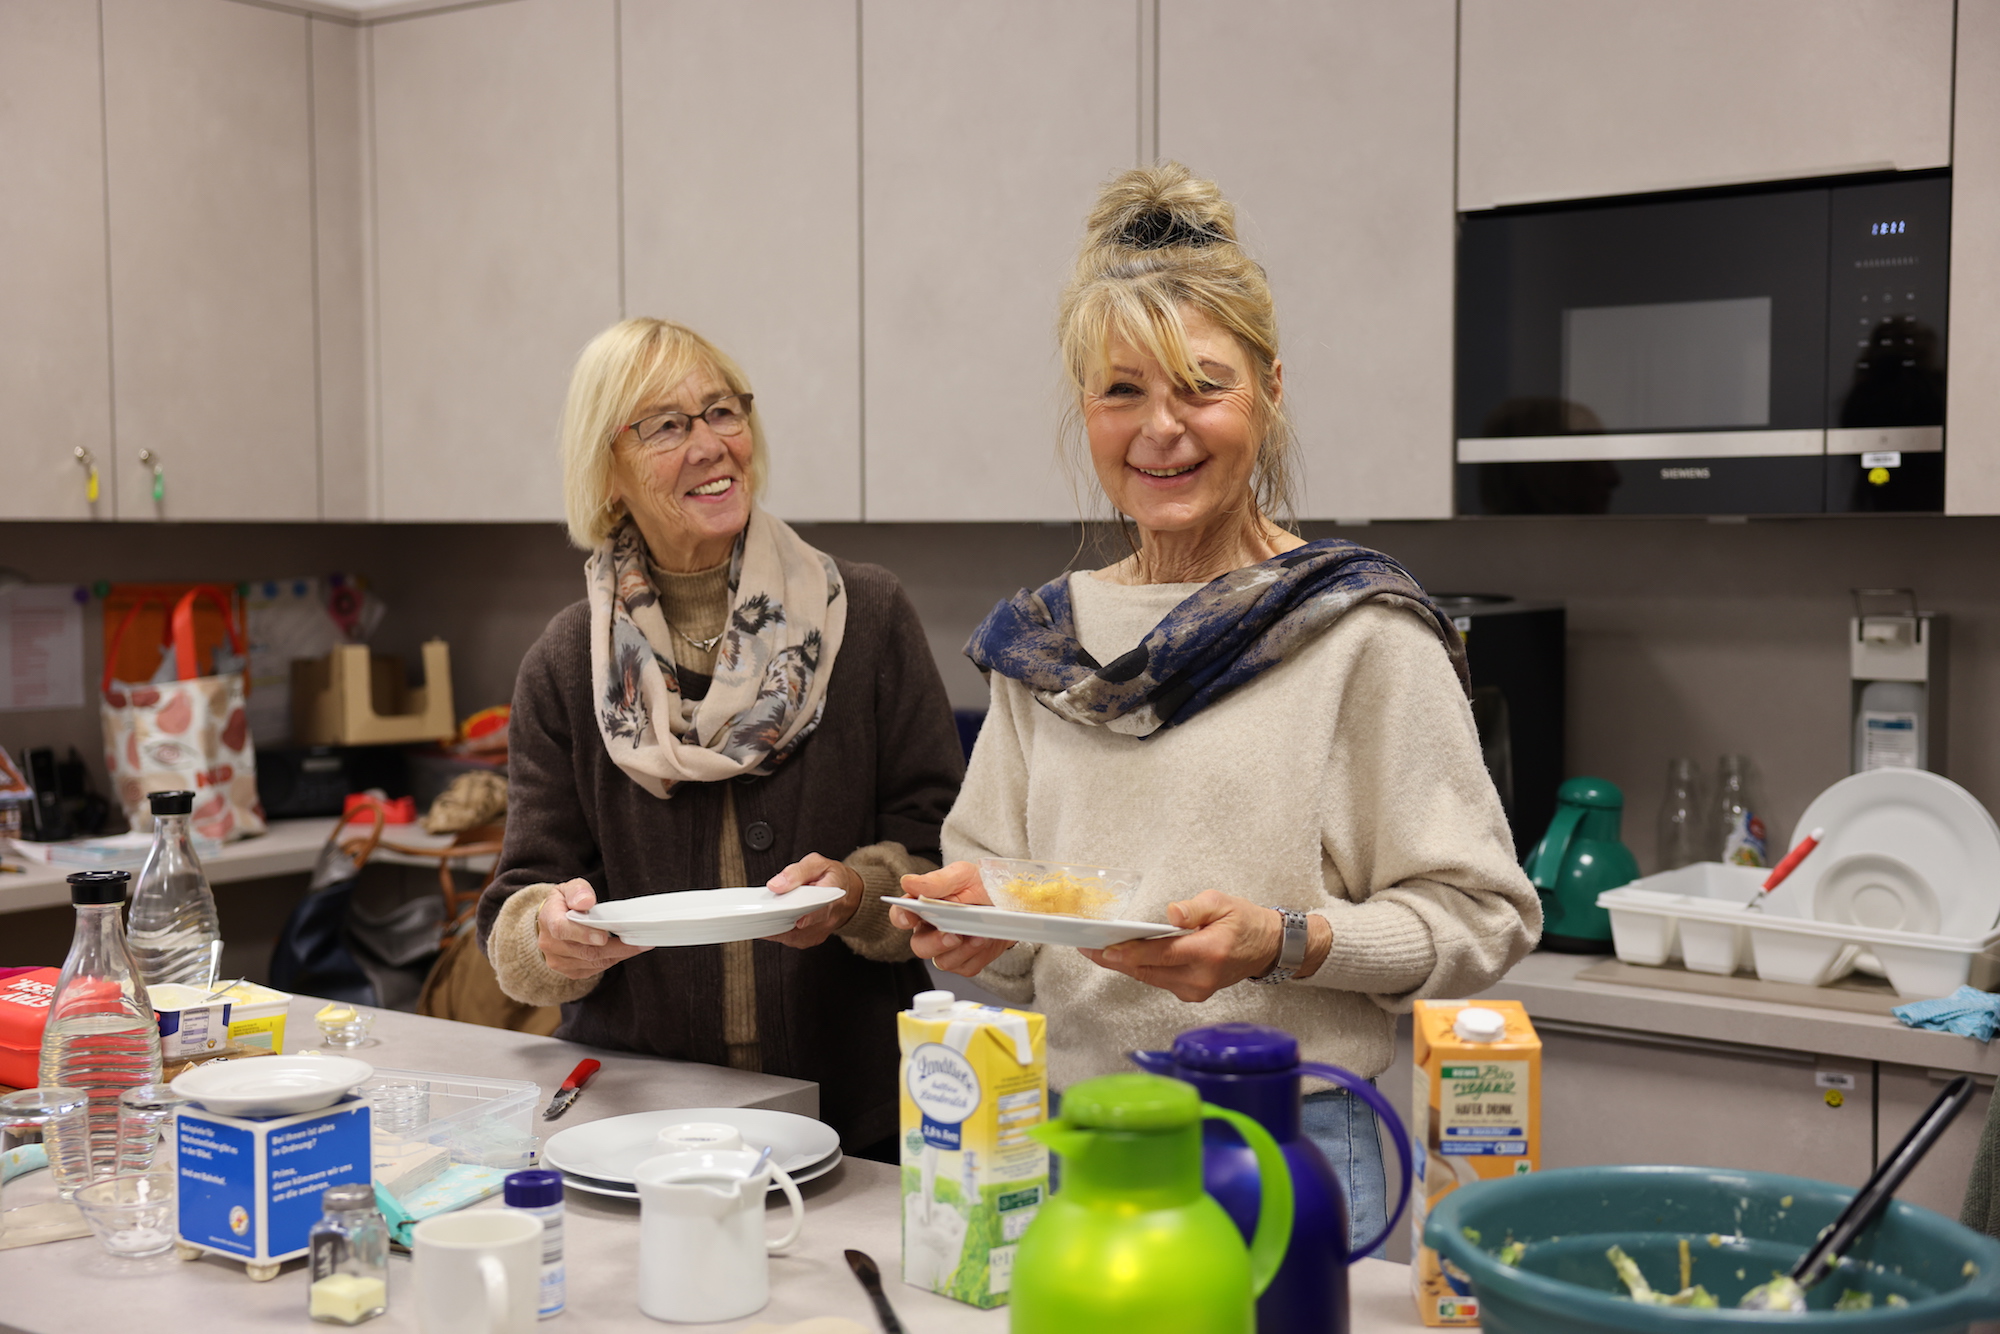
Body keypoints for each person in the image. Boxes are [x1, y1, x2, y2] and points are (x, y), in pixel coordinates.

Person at [891, 164, 1541, 1242]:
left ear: (1270, 389)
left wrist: (1281, 940)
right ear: (1082, 411)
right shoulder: (1042, 643)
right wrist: (970, 923)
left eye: (1200, 385)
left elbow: (1483, 914)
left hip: (1287, 1148)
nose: (1160, 430)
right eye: (1119, 391)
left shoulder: (1355, 629)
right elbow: (1007, 942)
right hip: (1072, 1145)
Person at [478, 317, 963, 1154]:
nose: (709, 444)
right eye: (666, 426)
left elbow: (940, 857)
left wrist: (855, 893)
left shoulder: (869, 619)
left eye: (722, 412)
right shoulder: (567, 663)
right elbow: (520, 909)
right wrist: (549, 933)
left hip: (858, 1108)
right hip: (643, 1117)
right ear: (608, 472)